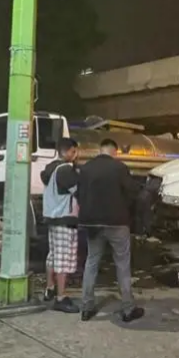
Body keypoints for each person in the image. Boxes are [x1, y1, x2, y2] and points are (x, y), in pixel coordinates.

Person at [77, 138, 144, 322]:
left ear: (100, 150)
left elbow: (79, 194)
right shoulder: (119, 168)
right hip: (117, 222)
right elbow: (132, 191)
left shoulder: (86, 168)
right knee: (122, 264)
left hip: (92, 223)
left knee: (91, 263)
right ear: (114, 151)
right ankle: (128, 309)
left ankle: (86, 308)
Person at [40, 137, 80, 313]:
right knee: (63, 259)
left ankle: (50, 288)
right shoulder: (65, 170)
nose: (75, 155)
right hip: (64, 217)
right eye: (74, 151)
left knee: (53, 256)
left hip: (52, 217)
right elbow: (79, 192)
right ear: (68, 151)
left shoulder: (51, 168)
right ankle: (61, 297)